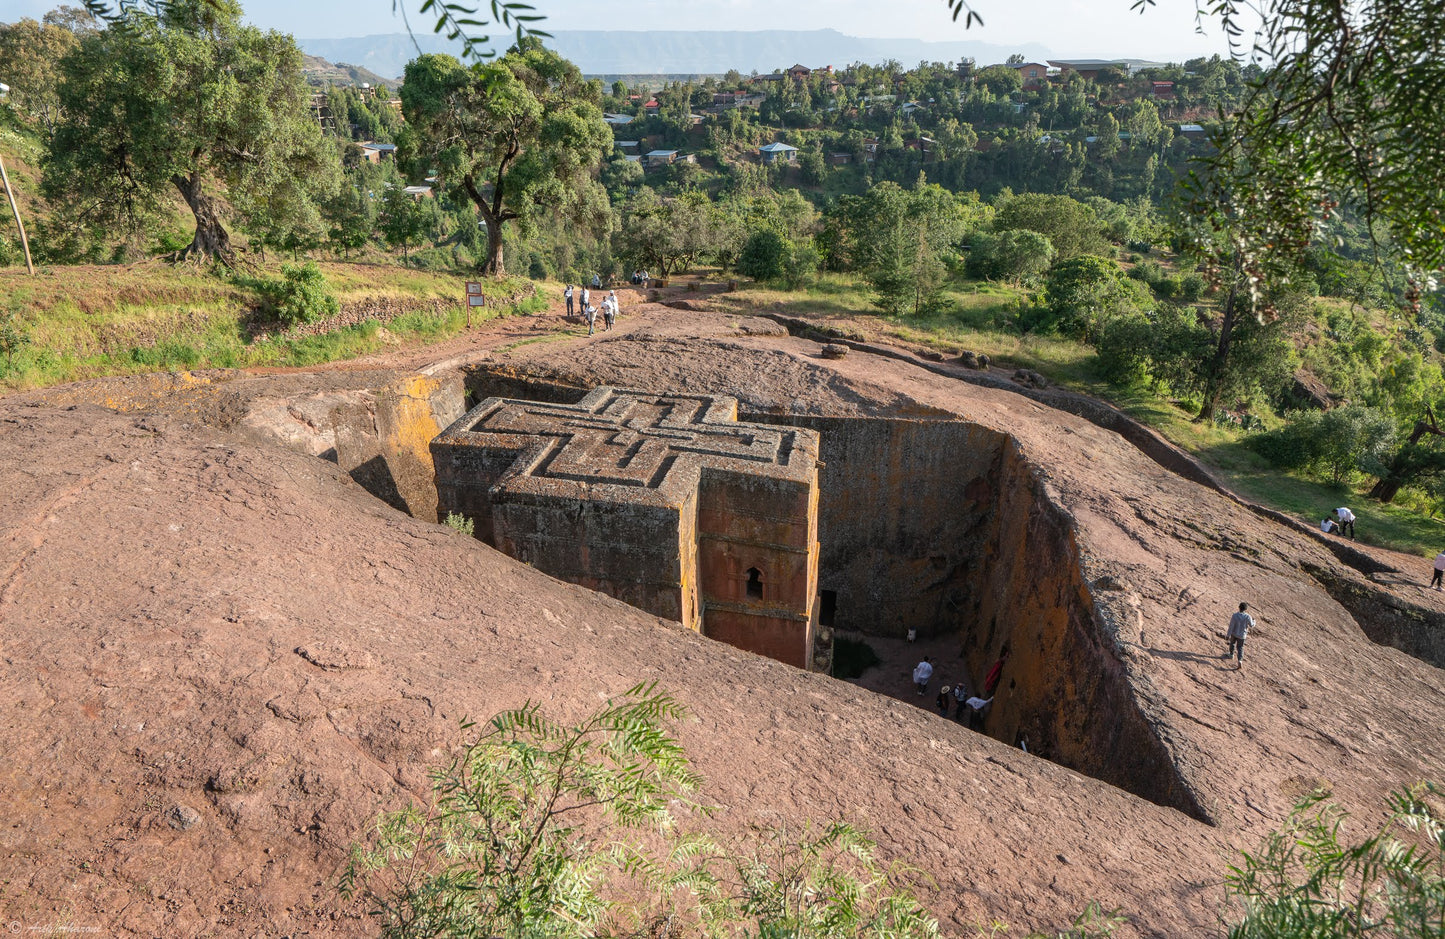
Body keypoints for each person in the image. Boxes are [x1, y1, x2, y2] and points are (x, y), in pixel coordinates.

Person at [1224, 602, 1253, 668]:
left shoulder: (1234, 615)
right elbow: (1251, 625)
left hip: (1234, 633)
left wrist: (1228, 635)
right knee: (1240, 648)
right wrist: (1254, 622)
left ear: (1239, 607)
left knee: (1232, 643)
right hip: (1242, 635)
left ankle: (1231, 654)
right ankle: (1240, 660)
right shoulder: (1248, 616)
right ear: (1246, 609)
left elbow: (1231, 626)